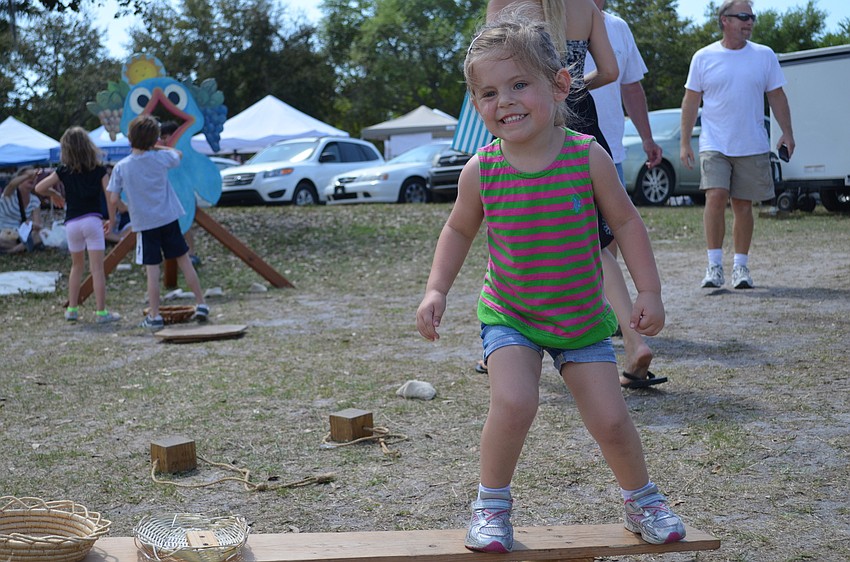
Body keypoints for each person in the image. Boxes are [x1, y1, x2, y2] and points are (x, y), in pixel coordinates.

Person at [416, 12, 685, 553]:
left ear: (559, 84)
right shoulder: (481, 169)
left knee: (610, 419)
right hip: (510, 313)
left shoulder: (587, 157)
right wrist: (436, 288)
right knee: (515, 403)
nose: (506, 101)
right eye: (489, 92)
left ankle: (641, 498)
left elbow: (628, 223)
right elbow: (458, 229)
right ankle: (491, 506)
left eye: (520, 84)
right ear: (476, 106)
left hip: (581, 319)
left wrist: (649, 292)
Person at [483, 0, 665, 389]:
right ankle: (632, 342)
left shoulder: (505, 2)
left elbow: (491, 57)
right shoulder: (586, 6)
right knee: (594, 244)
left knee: (512, 237)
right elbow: (612, 71)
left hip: (522, 124)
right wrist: (571, 84)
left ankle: (505, 340)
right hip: (578, 116)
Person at [681, 0, 794, 289]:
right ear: (725, 20)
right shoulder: (703, 57)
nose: (750, 22)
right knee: (716, 196)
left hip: (752, 143)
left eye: (752, 17)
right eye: (744, 16)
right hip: (714, 142)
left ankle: (740, 268)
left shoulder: (764, 56)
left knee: (743, 205)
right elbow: (691, 100)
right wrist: (685, 142)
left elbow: (777, 96)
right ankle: (714, 266)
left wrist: (787, 133)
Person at [585, 0, 666, 387]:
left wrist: (647, 137)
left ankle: (614, 331)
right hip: (585, 139)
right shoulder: (584, 14)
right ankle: (626, 337)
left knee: (598, 244)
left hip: (589, 144)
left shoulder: (613, 25)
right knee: (599, 246)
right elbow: (611, 73)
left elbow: (626, 82)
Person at [107, 114, 210, 330]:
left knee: (152, 269)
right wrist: (158, 147)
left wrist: (118, 212)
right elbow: (178, 154)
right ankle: (201, 303)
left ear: (129, 138)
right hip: (169, 218)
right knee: (184, 260)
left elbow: (114, 198)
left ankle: (154, 315)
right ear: (155, 139)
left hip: (145, 224)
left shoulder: (121, 167)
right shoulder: (160, 158)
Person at [35, 127, 120, 324]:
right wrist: (112, 219)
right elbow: (110, 197)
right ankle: (101, 312)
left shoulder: (63, 171)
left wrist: (55, 195)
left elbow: (39, 188)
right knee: (97, 269)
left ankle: (72, 309)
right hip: (92, 221)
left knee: (76, 266)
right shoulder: (99, 169)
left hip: (72, 223)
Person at [159, 120, 201, 266]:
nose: (164, 140)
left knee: (186, 225)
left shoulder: (182, 152)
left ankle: (191, 253)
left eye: (167, 136)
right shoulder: (162, 154)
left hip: (184, 195)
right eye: (162, 137)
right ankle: (173, 255)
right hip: (168, 195)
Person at [0, 167, 45, 253]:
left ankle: (13, 249)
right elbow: (11, 184)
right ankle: (18, 248)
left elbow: (39, 225)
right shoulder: (10, 193)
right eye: (27, 176)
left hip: (18, 234)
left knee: (36, 235)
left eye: (34, 177)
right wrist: (28, 175)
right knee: (4, 238)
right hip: (3, 231)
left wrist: (32, 224)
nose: (32, 178)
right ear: (19, 179)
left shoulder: (35, 201)